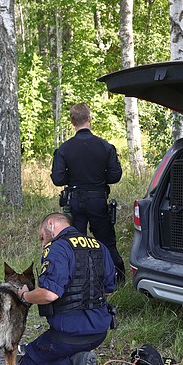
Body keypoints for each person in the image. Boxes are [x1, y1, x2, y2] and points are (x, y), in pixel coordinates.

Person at [15, 212, 117, 365]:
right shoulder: (99, 246)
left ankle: (75, 362)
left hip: (68, 334)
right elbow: (109, 289)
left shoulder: (57, 248)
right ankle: (78, 357)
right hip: (98, 332)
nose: (42, 243)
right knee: (47, 348)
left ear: (51, 225)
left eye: (42, 237)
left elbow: (48, 294)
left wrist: (25, 296)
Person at [50, 102, 125, 284]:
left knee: (75, 242)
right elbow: (115, 175)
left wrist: (72, 176)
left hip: (75, 201)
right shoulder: (105, 147)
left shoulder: (64, 149)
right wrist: (99, 177)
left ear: (72, 121)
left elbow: (58, 179)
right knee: (106, 241)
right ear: (89, 119)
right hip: (97, 199)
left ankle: (77, 281)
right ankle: (118, 278)